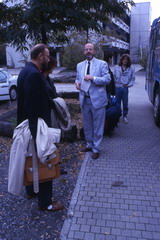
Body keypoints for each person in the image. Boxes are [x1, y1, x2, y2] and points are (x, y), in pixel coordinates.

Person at [17, 43, 64, 211]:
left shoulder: (25, 71)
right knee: (45, 161)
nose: (49, 58)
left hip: (30, 126)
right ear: (40, 56)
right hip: (37, 128)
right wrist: (38, 136)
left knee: (32, 161)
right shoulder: (34, 75)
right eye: (47, 55)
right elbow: (32, 107)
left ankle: (31, 190)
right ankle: (46, 203)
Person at [75, 43, 111, 159]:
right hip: (84, 100)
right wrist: (76, 83)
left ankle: (96, 148)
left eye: (90, 49)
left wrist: (93, 78)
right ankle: (89, 145)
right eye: (86, 49)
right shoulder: (79, 65)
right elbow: (77, 78)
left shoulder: (102, 64)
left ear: (94, 51)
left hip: (98, 101)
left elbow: (107, 79)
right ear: (83, 52)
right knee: (87, 125)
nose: (88, 51)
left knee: (98, 126)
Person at [113, 54, 135, 124]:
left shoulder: (131, 69)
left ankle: (125, 116)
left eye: (126, 59)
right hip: (117, 87)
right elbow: (113, 77)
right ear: (121, 60)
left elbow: (133, 79)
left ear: (128, 61)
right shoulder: (116, 67)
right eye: (123, 59)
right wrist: (114, 85)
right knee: (117, 103)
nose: (125, 61)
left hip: (125, 88)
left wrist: (128, 85)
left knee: (125, 103)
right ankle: (118, 116)